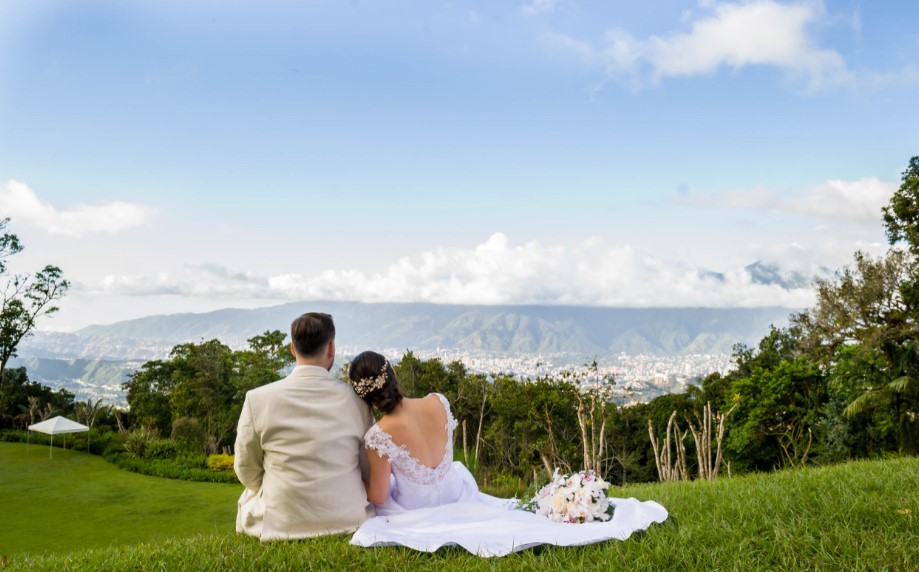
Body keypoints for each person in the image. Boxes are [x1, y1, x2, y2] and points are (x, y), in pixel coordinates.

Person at [346, 350, 668, 557]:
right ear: (393, 375)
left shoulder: (379, 436)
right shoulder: (437, 401)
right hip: (456, 492)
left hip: (419, 510)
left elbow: (377, 496)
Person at [234, 312, 374, 541]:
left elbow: (246, 468)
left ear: (292, 348)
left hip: (280, 520)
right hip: (347, 518)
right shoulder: (358, 402)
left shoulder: (258, 399)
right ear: (331, 348)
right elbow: (367, 469)